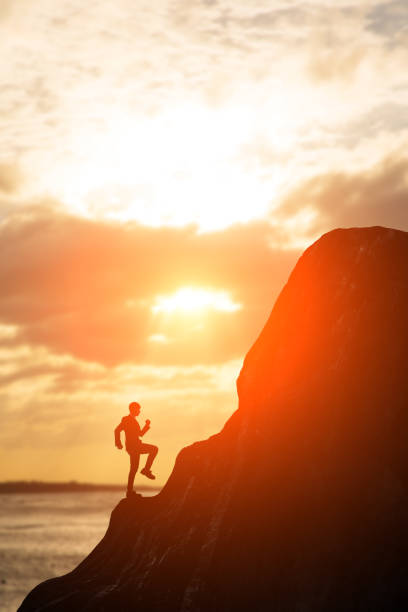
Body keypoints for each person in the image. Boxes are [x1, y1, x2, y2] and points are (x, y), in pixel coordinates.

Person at [114, 401, 158, 497]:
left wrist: (146, 425)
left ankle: (130, 491)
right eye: (138, 409)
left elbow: (140, 434)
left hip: (137, 446)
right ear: (133, 409)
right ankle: (146, 470)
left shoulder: (134, 420)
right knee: (154, 449)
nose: (139, 411)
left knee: (134, 468)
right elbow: (117, 430)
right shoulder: (126, 419)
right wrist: (118, 443)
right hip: (133, 447)